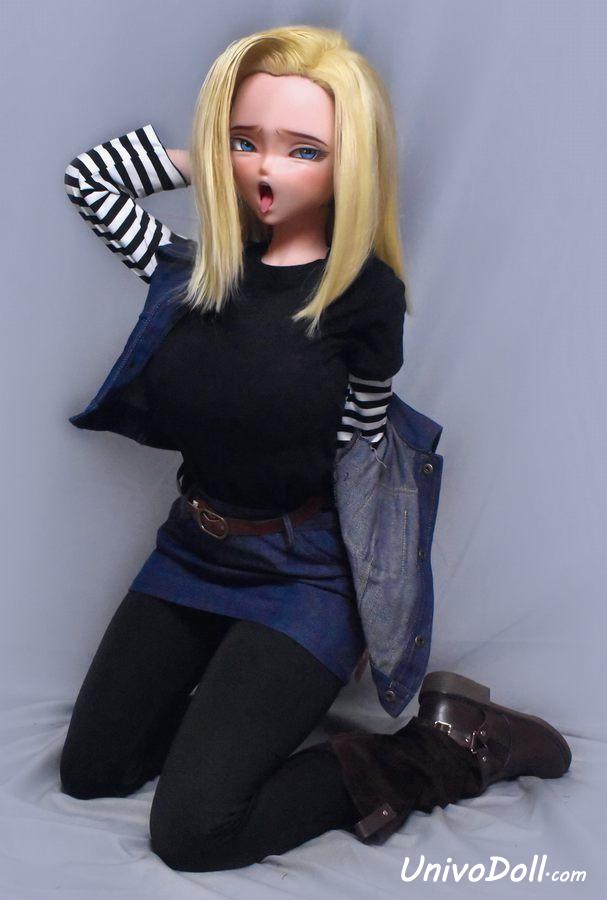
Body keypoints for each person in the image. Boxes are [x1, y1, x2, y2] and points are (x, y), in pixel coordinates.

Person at [59, 24, 571, 872]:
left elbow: (362, 452)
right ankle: (227, 716)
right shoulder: (195, 273)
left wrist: (373, 600)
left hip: (304, 572)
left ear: (350, 166)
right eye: (245, 141)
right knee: (90, 774)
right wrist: (216, 155)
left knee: (192, 835)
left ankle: (443, 748)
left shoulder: (364, 298)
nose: (267, 169)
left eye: (303, 150)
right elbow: (91, 179)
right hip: (193, 546)